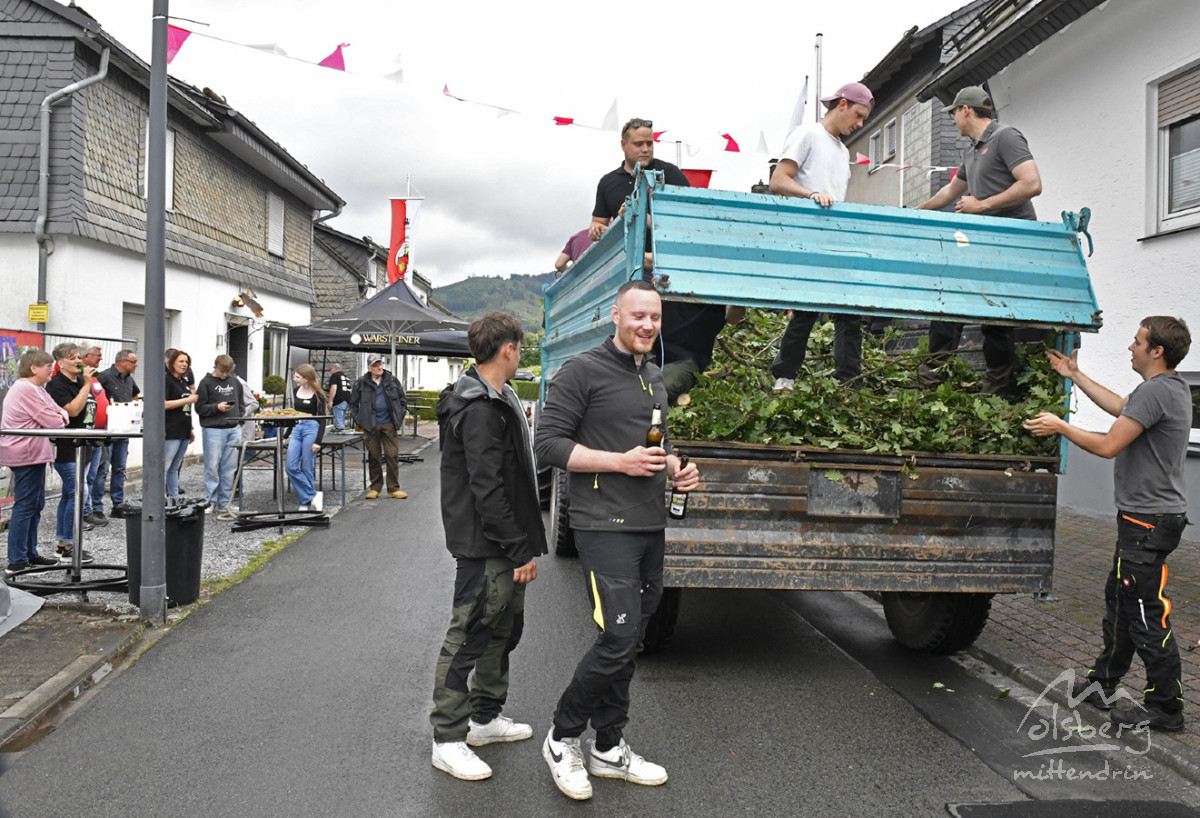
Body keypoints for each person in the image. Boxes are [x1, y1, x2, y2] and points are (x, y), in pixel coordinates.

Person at [533, 279, 699, 801]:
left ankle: (608, 746)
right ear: (615, 315)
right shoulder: (581, 371)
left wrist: (673, 466)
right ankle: (562, 737)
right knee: (617, 638)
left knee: (633, 639)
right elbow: (549, 445)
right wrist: (618, 463)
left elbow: (654, 440)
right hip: (604, 527)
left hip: (650, 525)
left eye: (654, 317)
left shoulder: (652, 375)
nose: (647, 325)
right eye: (637, 316)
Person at [1024, 317, 1191, 732]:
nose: (1129, 348)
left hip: (1149, 523)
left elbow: (1109, 444)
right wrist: (1075, 375)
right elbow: (1121, 407)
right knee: (1121, 601)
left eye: (1137, 342)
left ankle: (1167, 708)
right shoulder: (1170, 387)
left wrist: (1061, 426)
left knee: (1145, 612)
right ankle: (1103, 685)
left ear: (1157, 351)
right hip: (1144, 519)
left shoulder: (1157, 391)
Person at [429, 312, 547, 781]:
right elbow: (487, 488)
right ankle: (447, 739)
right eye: (519, 348)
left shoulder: (498, 395)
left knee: (503, 630)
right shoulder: (478, 407)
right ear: (509, 350)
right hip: (486, 545)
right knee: (468, 636)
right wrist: (518, 549)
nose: (519, 355)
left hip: (504, 540)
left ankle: (483, 719)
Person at [589, 117, 738, 403]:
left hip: (665, 268)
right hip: (628, 270)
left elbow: (684, 223)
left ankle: (647, 384)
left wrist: (640, 219)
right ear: (624, 145)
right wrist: (599, 228)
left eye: (650, 143)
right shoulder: (608, 183)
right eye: (639, 144)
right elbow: (597, 223)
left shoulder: (671, 174)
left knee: (652, 329)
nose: (646, 149)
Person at [916, 85, 1043, 396]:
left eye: (954, 115)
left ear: (966, 110)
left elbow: (1032, 183)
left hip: (1010, 242)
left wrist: (982, 205)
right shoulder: (971, 150)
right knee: (948, 305)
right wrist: (915, 213)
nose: (953, 122)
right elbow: (949, 193)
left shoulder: (1006, 136)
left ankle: (998, 389)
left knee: (995, 317)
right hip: (981, 244)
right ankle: (931, 382)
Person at [768, 81, 874, 391]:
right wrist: (812, 193)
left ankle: (849, 383)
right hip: (808, 236)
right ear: (841, 104)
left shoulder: (842, 151)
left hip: (836, 238)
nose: (859, 124)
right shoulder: (807, 134)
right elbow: (778, 180)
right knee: (807, 309)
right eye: (858, 115)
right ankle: (784, 377)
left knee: (850, 311)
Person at [2, 350, 69, 576]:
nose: (52, 369)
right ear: (33, 368)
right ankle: (17, 561)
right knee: (25, 505)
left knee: (35, 504)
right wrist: (58, 416)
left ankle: (29, 553)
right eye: (48, 365)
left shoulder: (36, 389)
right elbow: (55, 420)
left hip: (34, 454)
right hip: (26, 455)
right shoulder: (25, 389)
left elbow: (61, 414)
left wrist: (59, 416)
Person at [44, 343, 97, 564]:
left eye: (78, 357)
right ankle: (68, 546)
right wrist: (87, 383)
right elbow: (72, 410)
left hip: (84, 445)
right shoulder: (57, 385)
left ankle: (63, 545)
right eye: (73, 358)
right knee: (78, 492)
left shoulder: (79, 382)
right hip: (66, 449)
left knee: (69, 495)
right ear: (60, 362)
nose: (78, 361)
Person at [347, 353, 408, 500]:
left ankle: (393, 488)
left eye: (380, 364)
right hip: (370, 425)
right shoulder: (361, 383)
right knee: (374, 456)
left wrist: (399, 416)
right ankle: (375, 488)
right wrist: (360, 420)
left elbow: (402, 400)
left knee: (392, 455)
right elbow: (353, 404)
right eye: (375, 365)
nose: (379, 367)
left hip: (389, 423)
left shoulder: (392, 380)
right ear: (369, 368)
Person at [195, 354, 244, 520]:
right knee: (212, 467)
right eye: (223, 371)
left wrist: (240, 421)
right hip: (213, 429)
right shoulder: (206, 383)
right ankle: (210, 501)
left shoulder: (235, 381)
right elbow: (200, 408)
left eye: (228, 372)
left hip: (233, 428)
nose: (225, 375)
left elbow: (241, 403)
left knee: (229, 468)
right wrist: (216, 407)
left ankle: (225, 502)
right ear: (215, 366)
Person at [94, 348, 139, 519]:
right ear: (123, 362)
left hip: (124, 429)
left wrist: (131, 410)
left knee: (119, 468)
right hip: (107, 430)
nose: (136, 365)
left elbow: (135, 394)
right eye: (133, 362)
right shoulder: (105, 377)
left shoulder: (129, 379)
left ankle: (117, 505)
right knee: (103, 469)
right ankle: (97, 507)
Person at [286, 364, 326, 512]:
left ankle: (305, 501)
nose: (294, 379)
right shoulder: (296, 392)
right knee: (290, 466)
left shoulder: (318, 395)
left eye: (297, 377)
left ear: (306, 378)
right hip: (297, 428)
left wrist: (318, 441)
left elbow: (323, 419)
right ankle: (313, 494)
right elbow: (293, 415)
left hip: (311, 428)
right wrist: (286, 435)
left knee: (307, 466)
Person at [78, 345, 110, 526]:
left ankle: (87, 510)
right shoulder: (81, 376)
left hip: (98, 433)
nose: (100, 358)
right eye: (97, 355)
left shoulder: (95, 376)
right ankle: (82, 512)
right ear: (86, 357)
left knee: (92, 475)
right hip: (86, 434)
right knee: (83, 476)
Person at [164, 350, 197, 498]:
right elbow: (163, 404)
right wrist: (187, 400)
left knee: (175, 468)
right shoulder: (166, 380)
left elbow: (187, 409)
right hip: (170, 431)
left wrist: (190, 429)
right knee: (164, 467)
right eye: (181, 361)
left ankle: (174, 499)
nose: (184, 365)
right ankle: (160, 500)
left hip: (183, 431)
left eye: (186, 362)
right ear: (172, 363)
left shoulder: (183, 382)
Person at [327, 363, 351, 432]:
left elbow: (333, 388)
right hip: (347, 400)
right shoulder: (346, 377)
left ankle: (341, 438)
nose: (330, 371)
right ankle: (343, 433)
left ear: (334, 369)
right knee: (342, 419)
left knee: (338, 421)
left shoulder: (335, 376)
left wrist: (330, 400)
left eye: (330, 369)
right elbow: (350, 389)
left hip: (339, 400)